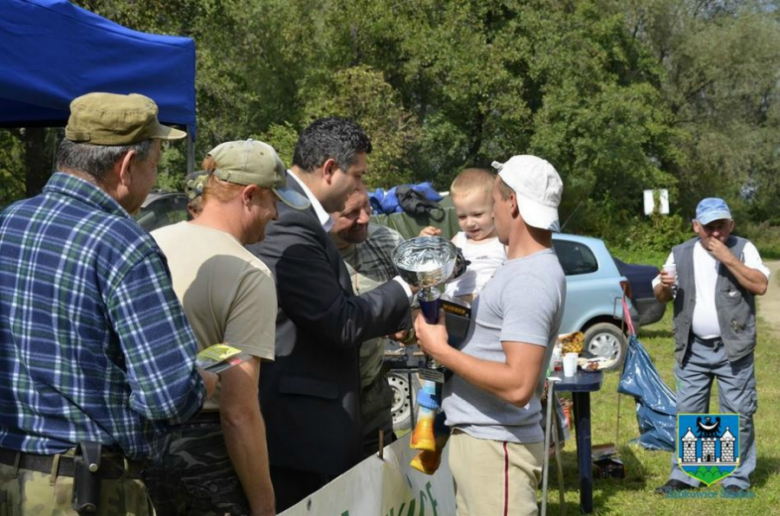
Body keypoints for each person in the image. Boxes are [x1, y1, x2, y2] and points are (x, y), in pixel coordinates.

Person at [0, 92, 216, 515]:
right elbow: (166, 397)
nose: (154, 179)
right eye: (154, 165)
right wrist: (201, 383)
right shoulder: (124, 245)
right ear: (125, 167)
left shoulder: (8, 221)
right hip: (84, 491)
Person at [248, 117, 414, 512]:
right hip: (299, 432)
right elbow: (341, 322)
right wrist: (409, 286)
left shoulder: (297, 212)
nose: (361, 189)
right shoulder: (289, 220)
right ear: (328, 169)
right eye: (357, 176)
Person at [148, 140, 309, 515]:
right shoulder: (248, 272)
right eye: (275, 202)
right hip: (203, 457)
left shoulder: (150, 243)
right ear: (250, 196)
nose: (277, 216)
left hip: (135, 448)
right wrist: (264, 503)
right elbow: (238, 410)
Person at [414, 155, 566, 516]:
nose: (490, 214)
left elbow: (518, 385)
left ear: (511, 202)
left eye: (494, 200)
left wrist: (441, 350)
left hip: (498, 450)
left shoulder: (528, 279)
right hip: (486, 445)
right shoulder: (518, 269)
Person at [653, 198, 769, 495]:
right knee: (689, 413)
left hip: (734, 348)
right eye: (709, 227)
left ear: (731, 224)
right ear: (696, 227)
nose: (716, 233)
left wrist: (727, 257)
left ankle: (736, 479)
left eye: (721, 226)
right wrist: (665, 285)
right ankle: (686, 475)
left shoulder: (744, 249)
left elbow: (759, 285)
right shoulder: (680, 253)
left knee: (738, 413)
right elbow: (661, 294)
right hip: (692, 349)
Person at [329, 186, 409, 458]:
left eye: (367, 208)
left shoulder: (387, 242)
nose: (364, 219)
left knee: (379, 485)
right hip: (325, 402)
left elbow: (414, 313)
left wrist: (407, 328)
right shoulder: (308, 252)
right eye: (352, 213)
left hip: (373, 394)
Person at [444, 167, 506, 304]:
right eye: (462, 216)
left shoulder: (503, 242)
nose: (470, 223)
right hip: (453, 307)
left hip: (488, 308)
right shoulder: (458, 240)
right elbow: (441, 274)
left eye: (477, 214)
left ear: (495, 209)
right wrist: (430, 244)